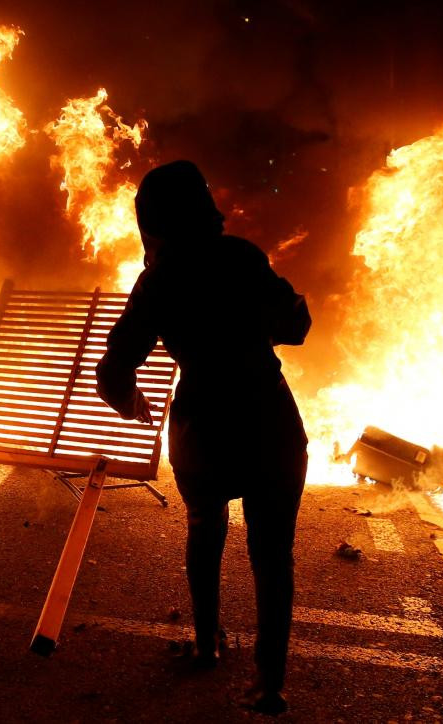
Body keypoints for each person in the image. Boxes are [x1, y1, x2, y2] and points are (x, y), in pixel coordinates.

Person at [96, 160, 311, 715]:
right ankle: (270, 682)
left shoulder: (158, 279)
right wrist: (289, 310)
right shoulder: (243, 256)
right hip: (268, 418)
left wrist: (133, 403)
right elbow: (294, 327)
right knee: (272, 555)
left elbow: (114, 365)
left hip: (203, 424)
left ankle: (207, 641)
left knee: (204, 528)